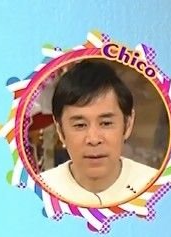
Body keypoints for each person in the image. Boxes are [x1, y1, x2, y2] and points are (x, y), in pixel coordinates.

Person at [38, 59, 159, 207]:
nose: (94, 139)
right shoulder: (39, 194)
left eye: (106, 123)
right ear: (60, 130)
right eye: (80, 125)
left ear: (128, 124)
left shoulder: (158, 190)